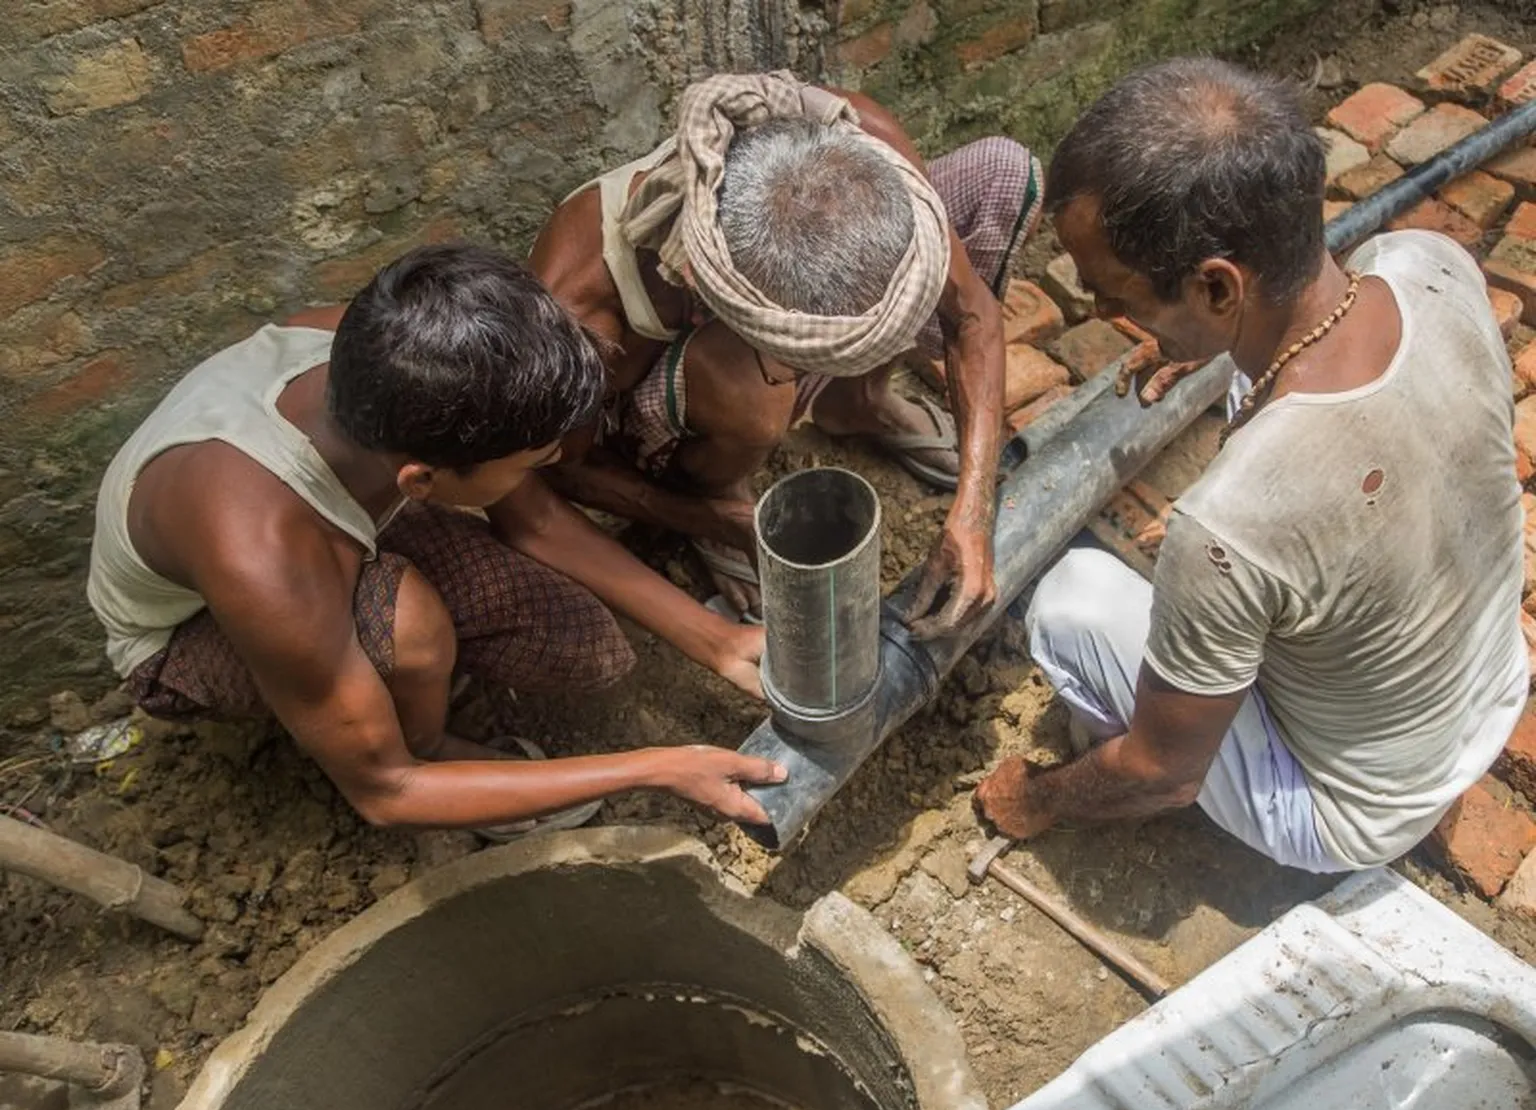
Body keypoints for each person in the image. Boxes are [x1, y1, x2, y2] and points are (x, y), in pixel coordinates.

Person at [976, 58, 1527, 873]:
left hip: (1352, 811)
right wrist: (1211, 350)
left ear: (1217, 288)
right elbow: (1311, 341)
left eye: (1116, 295)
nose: (1102, 316)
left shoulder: (1229, 525)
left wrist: (1039, 799)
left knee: (1070, 603)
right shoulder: (1428, 265)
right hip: (1488, 689)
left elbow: (1164, 774)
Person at [87, 243, 785, 835]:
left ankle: (411, 682)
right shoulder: (259, 551)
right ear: (420, 481)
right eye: (532, 460)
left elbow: (534, 520)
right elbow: (385, 793)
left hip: (337, 527)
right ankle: (437, 745)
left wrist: (714, 640)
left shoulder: (393, 367)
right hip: (185, 636)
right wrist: (663, 767)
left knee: (580, 647)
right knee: (413, 627)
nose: (548, 468)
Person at [531, 70, 1044, 632]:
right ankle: (717, 478)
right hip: (664, 401)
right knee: (749, 390)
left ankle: (859, 400)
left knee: (1004, 174)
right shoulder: (582, 325)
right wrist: (707, 519)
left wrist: (974, 510)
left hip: (743, 339)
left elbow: (970, 311)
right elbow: (558, 472)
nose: (800, 376)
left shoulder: (846, 131)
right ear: (703, 290)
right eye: (804, 364)